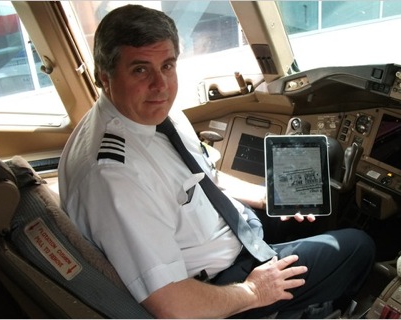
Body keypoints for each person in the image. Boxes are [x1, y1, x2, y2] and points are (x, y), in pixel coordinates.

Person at [58, 4, 376, 319]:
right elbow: (173, 305)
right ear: (105, 76)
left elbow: (203, 176)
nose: (160, 85)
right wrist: (253, 291)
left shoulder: (150, 114)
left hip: (231, 231)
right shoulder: (114, 176)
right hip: (216, 287)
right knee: (357, 246)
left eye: (167, 66)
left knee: (311, 209)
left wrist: (264, 197)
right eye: (140, 69)